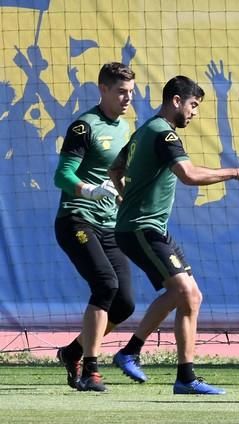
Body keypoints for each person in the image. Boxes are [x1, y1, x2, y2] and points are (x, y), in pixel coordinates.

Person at [108, 76, 239, 395]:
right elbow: (188, 175)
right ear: (176, 101)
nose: (194, 112)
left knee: (190, 295)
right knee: (185, 293)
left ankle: (171, 371)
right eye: (193, 105)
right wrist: (234, 172)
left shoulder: (144, 130)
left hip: (147, 227)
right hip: (141, 228)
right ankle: (139, 356)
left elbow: (115, 170)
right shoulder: (164, 134)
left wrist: (125, 196)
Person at [53, 62, 136, 392]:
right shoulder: (83, 127)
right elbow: (62, 175)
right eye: (121, 92)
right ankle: (90, 369)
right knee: (105, 284)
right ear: (102, 89)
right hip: (76, 219)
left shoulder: (127, 128)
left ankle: (71, 352)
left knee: (125, 303)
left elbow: (122, 176)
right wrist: (89, 189)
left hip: (109, 224)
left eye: (131, 92)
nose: (127, 98)